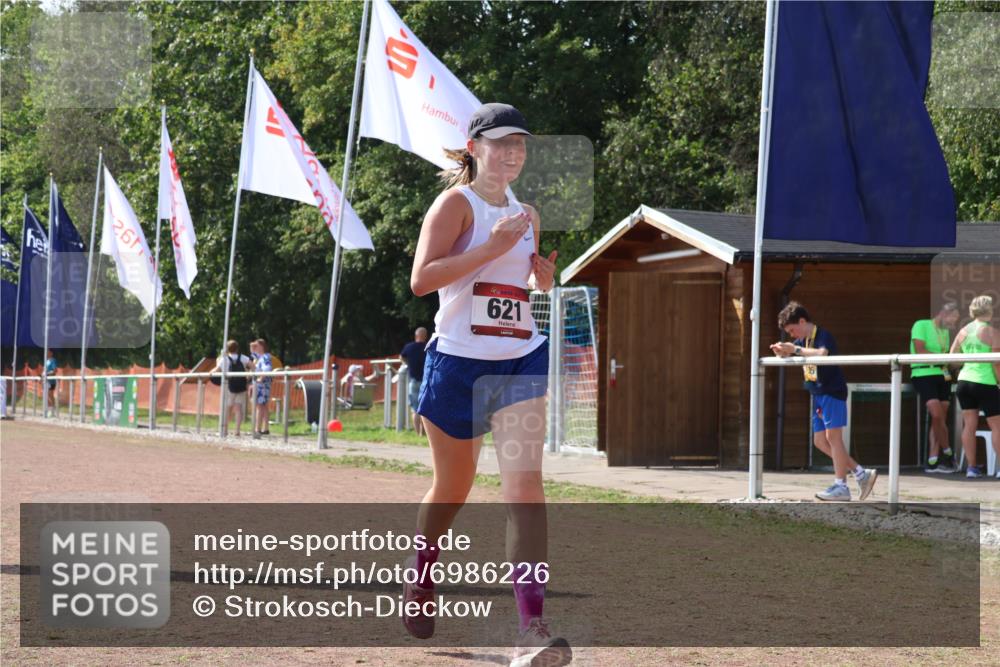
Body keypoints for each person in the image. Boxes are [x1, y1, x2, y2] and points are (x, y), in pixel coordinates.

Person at [406, 102, 568, 667]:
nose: (512, 153)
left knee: (525, 488)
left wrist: (539, 280)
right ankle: (422, 574)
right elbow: (422, 280)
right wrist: (491, 248)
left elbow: (517, 286)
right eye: (500, 143)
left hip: (519, 359)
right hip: (457, 364)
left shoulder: (528, 213)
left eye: (519, 144)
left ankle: (532, 627)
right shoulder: (455, 205)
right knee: (453, 488)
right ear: (474, 149)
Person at [771, 302, 878, 501]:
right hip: (817, 394)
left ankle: (841, 486)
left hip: (832, 392)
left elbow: (822, 353)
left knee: (833, 439)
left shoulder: (822, 335)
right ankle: (861, 473)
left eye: (793, 330)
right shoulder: (803, 341)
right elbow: (799, 351)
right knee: (820, 441)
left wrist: (793, 349)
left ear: (802, 321)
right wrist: (782, 351)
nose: (793, 335)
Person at [949, 295, 1000, 479]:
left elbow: (952, 357)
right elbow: (996, 364)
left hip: (964, 382)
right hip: (985, 382)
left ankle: (971, 468)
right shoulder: (992, 332)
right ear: (990, 310)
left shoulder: (963, 330)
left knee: (969, 425)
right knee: (997, 426)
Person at [910, 302, 961, 473]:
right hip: (923, 374)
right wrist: (945, 358)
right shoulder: (921, 324)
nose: (953, 324)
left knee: (939, 419)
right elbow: (920, 351)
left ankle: (933, 461)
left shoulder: (945, 331)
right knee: (936, 414)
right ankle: (948, 452)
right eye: (952, 319)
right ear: (944, 313)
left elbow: (946, 356)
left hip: (943, 375)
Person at [212, 340, 250, 436]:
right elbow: (253, 367)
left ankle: (225, 429)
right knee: (238, 408)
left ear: (227, 349)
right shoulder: (243, 358)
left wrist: (210, 372)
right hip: (241, 385)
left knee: (227, 408)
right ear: (237, 348)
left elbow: (216, 370)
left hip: (229, 385)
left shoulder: (224, 359)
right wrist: (248, 377)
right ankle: (237, 430)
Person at [400, 327, 429, 436]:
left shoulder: (409, 347)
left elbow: (401, 357)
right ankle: (424, 432)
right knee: (425, 409)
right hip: (425, 382)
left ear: (416, 335)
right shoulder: (428, 347)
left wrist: (407, 364)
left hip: (413, 381)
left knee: (415, 409)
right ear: (425, 336)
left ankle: (418, 434)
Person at [251, 339, 273, 436]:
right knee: (263, 406)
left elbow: (267, 369)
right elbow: (252, 354)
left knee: (260, 406)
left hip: (262, 385)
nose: (255, 348)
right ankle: (265, 428)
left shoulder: (265, 357)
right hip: (261, 385)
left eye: (257, 346)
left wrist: (261, 378)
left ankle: (258, 428)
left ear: (262, 346)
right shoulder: (259, 357)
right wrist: (252, 346)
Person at [44, 350, 57, 417]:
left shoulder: (53, 360)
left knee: (50, 395)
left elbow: (55, 371)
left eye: (48, 352)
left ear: (51, 353)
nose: (47, 353)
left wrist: (47, 373)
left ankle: (52, 410)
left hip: (51, 381)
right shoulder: (46, 361)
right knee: (46, 395)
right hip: (46, 381)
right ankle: (49, 410)